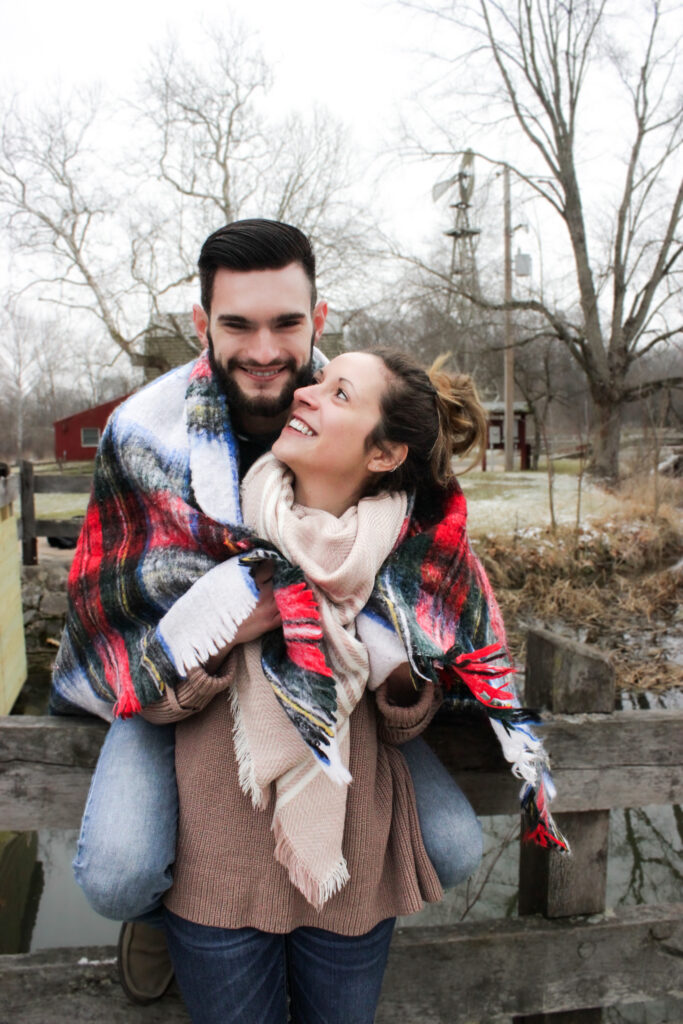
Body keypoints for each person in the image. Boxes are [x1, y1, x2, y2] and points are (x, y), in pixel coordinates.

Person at [51, 220, 487, 1007]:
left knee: (454, 843)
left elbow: (432, 567)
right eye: (237, 325)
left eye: (285, 323)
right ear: (201, 323)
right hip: (177, 661)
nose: (263, 349)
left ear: (317, 319)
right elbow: (115, 599)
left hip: (343, 672)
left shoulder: (366, 403)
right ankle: (167, 919)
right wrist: (232, 613)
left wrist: (367, 631)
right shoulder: (144, 431)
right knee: (119, 869)